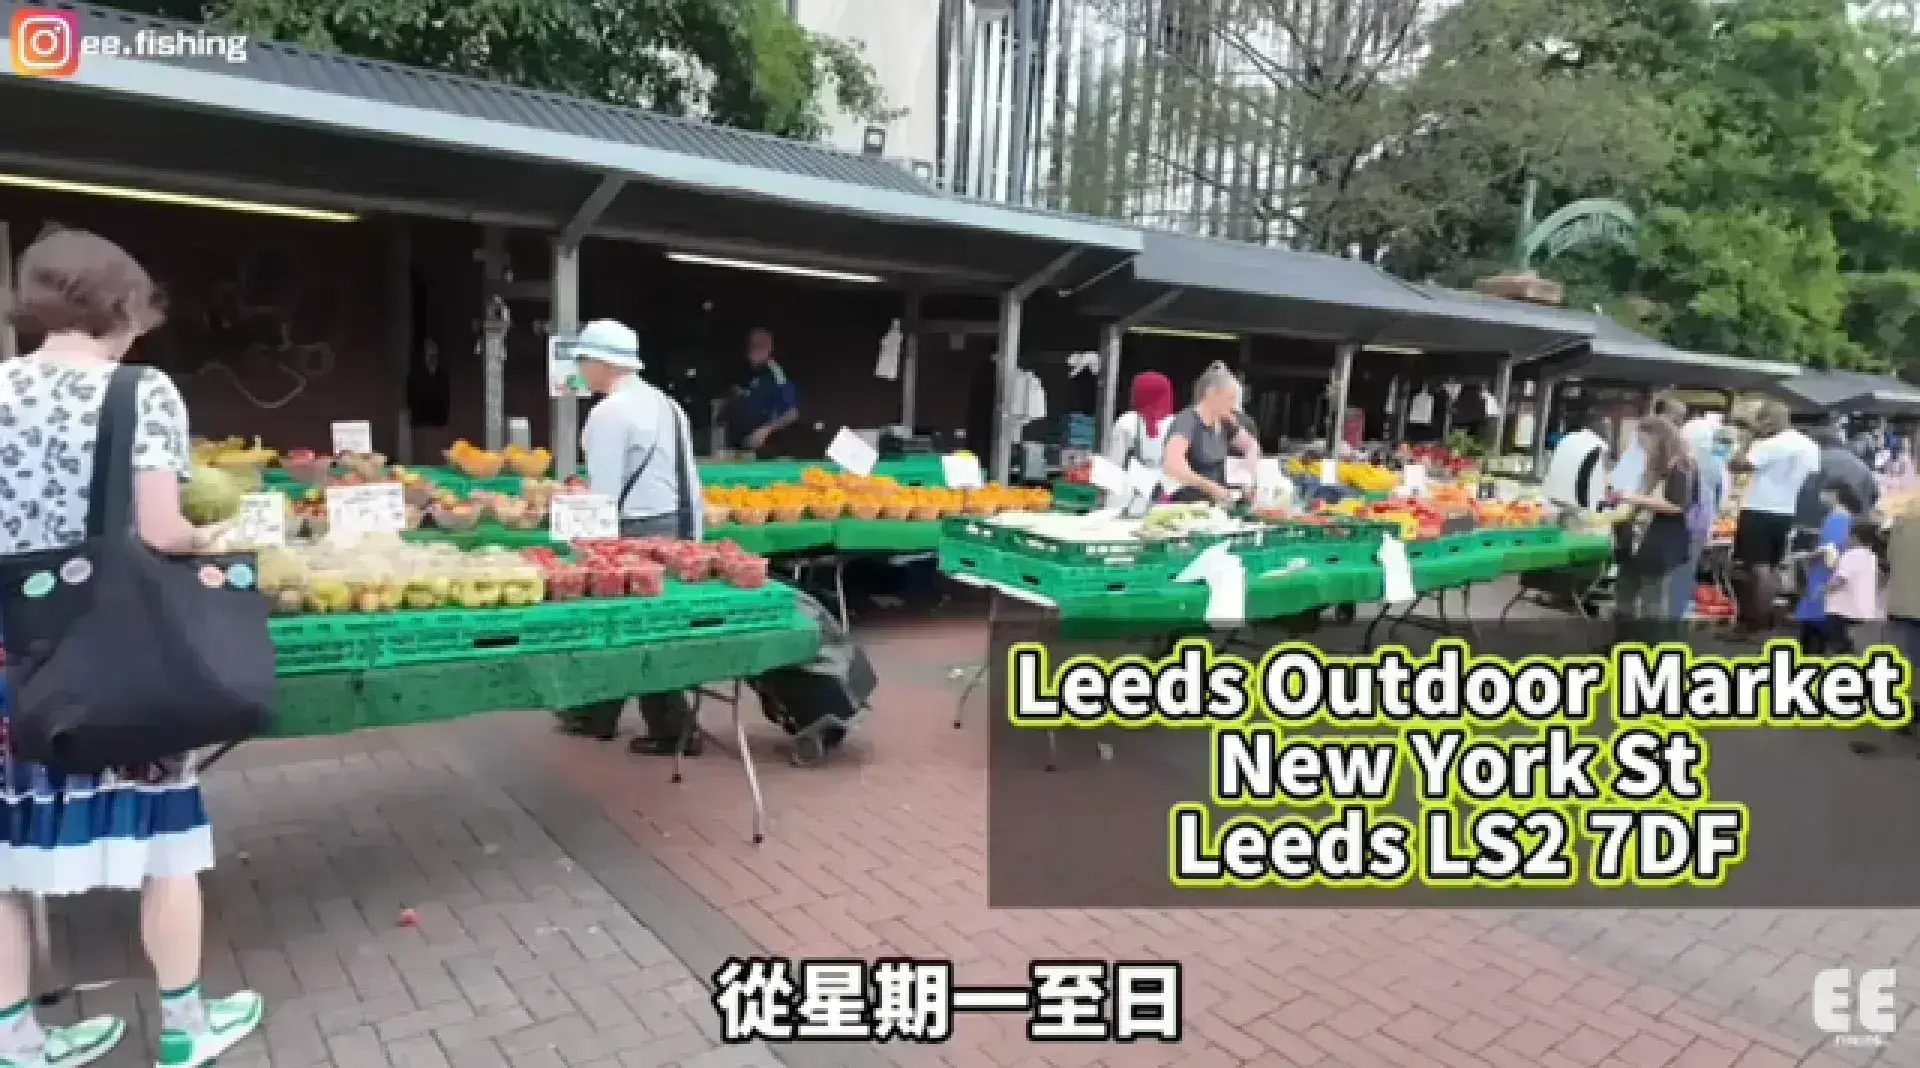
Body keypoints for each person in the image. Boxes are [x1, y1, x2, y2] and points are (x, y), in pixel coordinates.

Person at [0, 228, 262, 1067]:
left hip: (14, 650)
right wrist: (218, 534)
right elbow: (159, 530)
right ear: (121, 304)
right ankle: (185, 1027)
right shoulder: (141, 393)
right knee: (165, 847)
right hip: (119, 649)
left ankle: (20, 1040)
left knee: (4, 861)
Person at [556, 320, 707, 755]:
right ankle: (596, 713)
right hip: (676, 526)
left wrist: (584, 546)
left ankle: (673, 727)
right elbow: (690, 479)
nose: (581, 369)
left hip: (637, 530)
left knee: (633, 629)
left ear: (604, 362)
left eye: (584, 360)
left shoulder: (610, 412)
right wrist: (694, 539)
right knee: (642, 627)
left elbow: (601, 496)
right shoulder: (666, 403)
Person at [1729, 401, 1819, 636]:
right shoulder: (1808, 445)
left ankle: (1754, 620)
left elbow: (1737, 466)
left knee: (1756, 567)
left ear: (1767, 419)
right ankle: (1766, 615)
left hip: (1758, 507)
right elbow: (1809, 476)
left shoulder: (1769, 444)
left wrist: (1746, 442)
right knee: (1771, 566)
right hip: (1786, 510)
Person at [1612, 415, 1698, 645]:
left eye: (1645, 441)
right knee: (1625, 592)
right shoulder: (1652, 466)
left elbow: (1678, 506)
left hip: (1659, 540)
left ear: (1660, 438)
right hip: (1636, 537)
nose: (1643, 446)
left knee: (1653, 598)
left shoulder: (1681, 467)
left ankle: (1654, 648)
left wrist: (1633, 497)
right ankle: (1623, 641)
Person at [1162, 364, 1259, 505]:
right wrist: (1210, 487)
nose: (1233, 406)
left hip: (1218, 504)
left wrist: (1247, 475)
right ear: (1210, 394)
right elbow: (1173, 464)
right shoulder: (1187, 420)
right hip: (1187, 503)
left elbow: (1251, 446)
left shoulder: (1226, 421)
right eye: (1229, 398)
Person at [1673, 420, 1734, 619]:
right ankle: (1677, 616)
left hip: (1673, 524)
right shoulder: (1716, 462)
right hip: (1699, 524)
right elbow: (1721, 496)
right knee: (1685, 572)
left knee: (1669, 575)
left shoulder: (1677, 459)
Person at [1793, 477, 1862, 653]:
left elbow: (1830, 549)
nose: (1821, 496)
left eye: (1825, 492)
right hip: (1829, 572)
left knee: (1816, 623)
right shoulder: (1846, 517)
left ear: (1835, 494)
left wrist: (1806, 556)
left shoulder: (1837, 518)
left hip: (1825, 573)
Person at [730, 328, 798, 457]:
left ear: (769, 348)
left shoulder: (777, 374)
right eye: (752, 345)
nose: (753, 349)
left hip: (769, 449)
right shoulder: (744, 373)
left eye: (760, 345)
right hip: (741, 449)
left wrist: (765, 431)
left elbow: (792, 413)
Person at [1611, 395, 1687, 495]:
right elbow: (1664, 458)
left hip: (1631, 470)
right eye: (1681, 416)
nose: (1682, 420)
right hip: (1648, 476)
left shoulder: (1646, 423)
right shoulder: (1667, 428)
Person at [1541, 413, 1611, 514]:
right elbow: (1594, 482)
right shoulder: (1599, 445)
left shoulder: (1568, 438)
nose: (1607, 432)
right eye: (1607, 428)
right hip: (1577, 509)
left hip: (1551, 501)